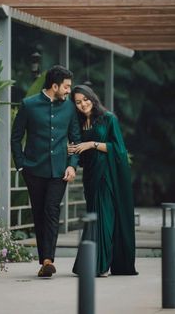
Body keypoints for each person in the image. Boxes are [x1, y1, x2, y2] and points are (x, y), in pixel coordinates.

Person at [11, 65, 81, 277]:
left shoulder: (69, 108)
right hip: (33, 170)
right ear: (54, 85)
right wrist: (21, 164)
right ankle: (44, 261)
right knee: (39, 213)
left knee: (51, 210)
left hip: (59, 171)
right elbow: (16, 137)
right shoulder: (29, 105)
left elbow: (76, 139)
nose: (69, 91)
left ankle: (48, 260)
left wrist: (72, 164)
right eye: (66, 87)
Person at [68, 84, 138, 277]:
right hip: (90, 177)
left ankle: (102, 265)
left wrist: (92, 144)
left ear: (93, 97)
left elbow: (119, 149)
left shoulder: (108, 119)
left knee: (104, 219)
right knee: (94, 219)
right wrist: (73, 151)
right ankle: (90, 263)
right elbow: (82, 156)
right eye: (78, 102)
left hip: (107, 177)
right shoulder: (79, 123)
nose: (83, 104)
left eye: (86, 99)